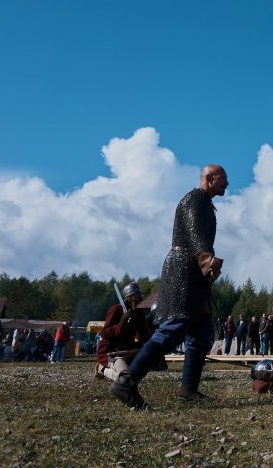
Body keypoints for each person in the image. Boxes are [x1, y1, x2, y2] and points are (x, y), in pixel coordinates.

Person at [109, 164, 228, 409]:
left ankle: (188, 390)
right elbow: (195, 237)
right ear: (208, 178)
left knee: (201, 331)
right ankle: (127, 382)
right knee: (175, 327)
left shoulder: (206, 204)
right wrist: (208, 261)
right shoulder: (193, 200)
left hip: (194, 271)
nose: (227, 184)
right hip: (184, 269)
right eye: (223, 179)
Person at [96, 282, 154, 383]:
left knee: (147, 362)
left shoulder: (138, 313)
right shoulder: (116, 309)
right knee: (125, 378)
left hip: (127, 350)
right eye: (138, 295)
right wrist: (121, 323)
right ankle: (102, 369)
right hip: (111, 352)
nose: (140, 297)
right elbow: (105, 333)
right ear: (130, 296)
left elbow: (144, 334)